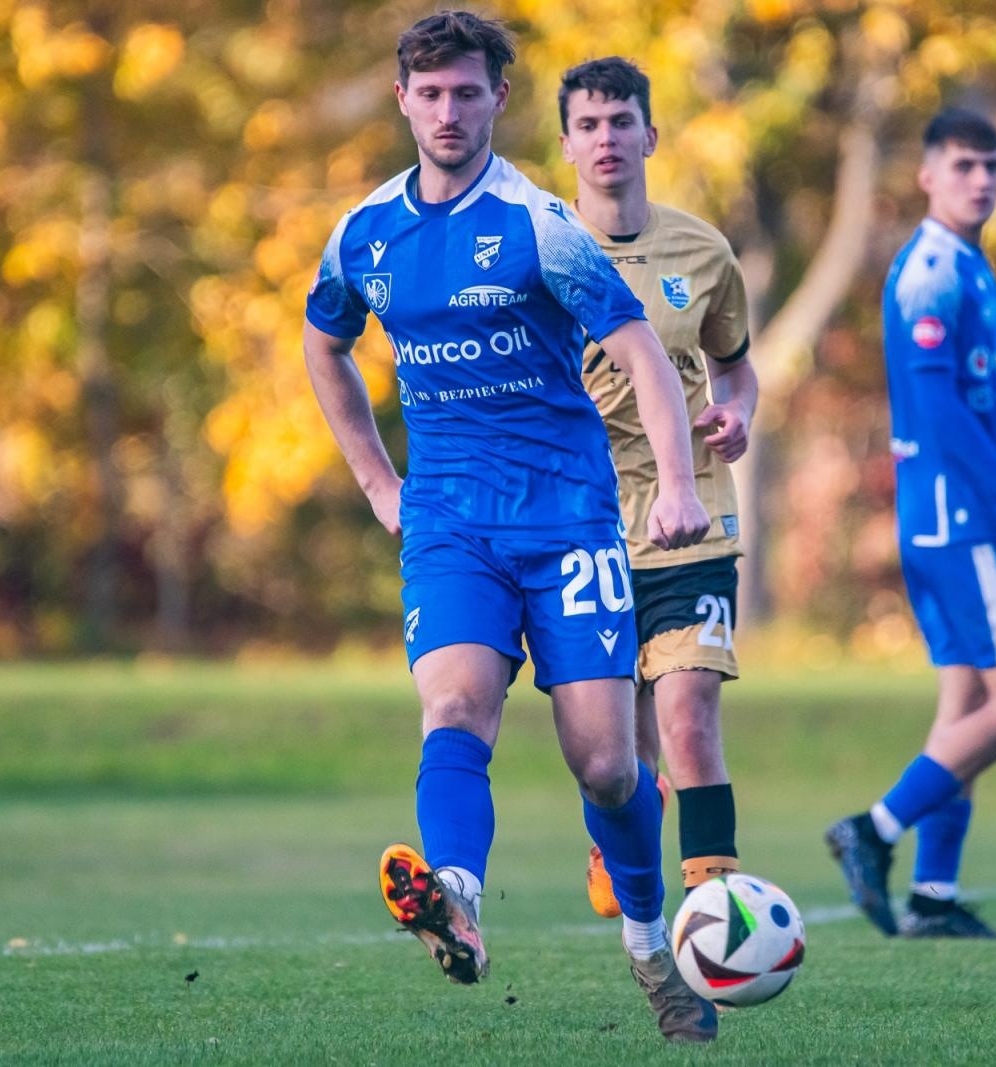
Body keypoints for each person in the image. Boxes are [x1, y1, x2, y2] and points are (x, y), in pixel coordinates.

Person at [301, 11, 717, 1043]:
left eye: (467, 92)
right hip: (449, 525)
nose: (448, 110)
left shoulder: (541, 226)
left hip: (569, 520)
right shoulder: (365, 233)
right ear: (403, 98)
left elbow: (641, 353)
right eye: (430, 92)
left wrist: (675, 484)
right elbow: (323, 345)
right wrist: (377, 484)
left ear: (496, 100)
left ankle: (649, 942)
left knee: (608, 766)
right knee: (452, 708)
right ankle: (455, 898)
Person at [825, 107, 996, 940]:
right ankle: (874, 829)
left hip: (946, 522)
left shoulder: (967, 264)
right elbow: (933, 404)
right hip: (961, 522)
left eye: (993, 167)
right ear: (927, 174)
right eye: (965, 165)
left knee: (967, 701)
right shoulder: (930, 269)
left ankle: (933, 896)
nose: (982, 181)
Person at [554, 57, 760, 914]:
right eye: (589, 125)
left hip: (694, 520)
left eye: (620, 121)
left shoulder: (702, 250)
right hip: (583, 531)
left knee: (688, 720)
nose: (607, 138)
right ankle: (624, 843)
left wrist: (738, 412)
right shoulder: (541, 248)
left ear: (651, 134)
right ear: (567, 144)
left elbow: (734, 367)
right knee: (618, 755)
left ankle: (717, 915)